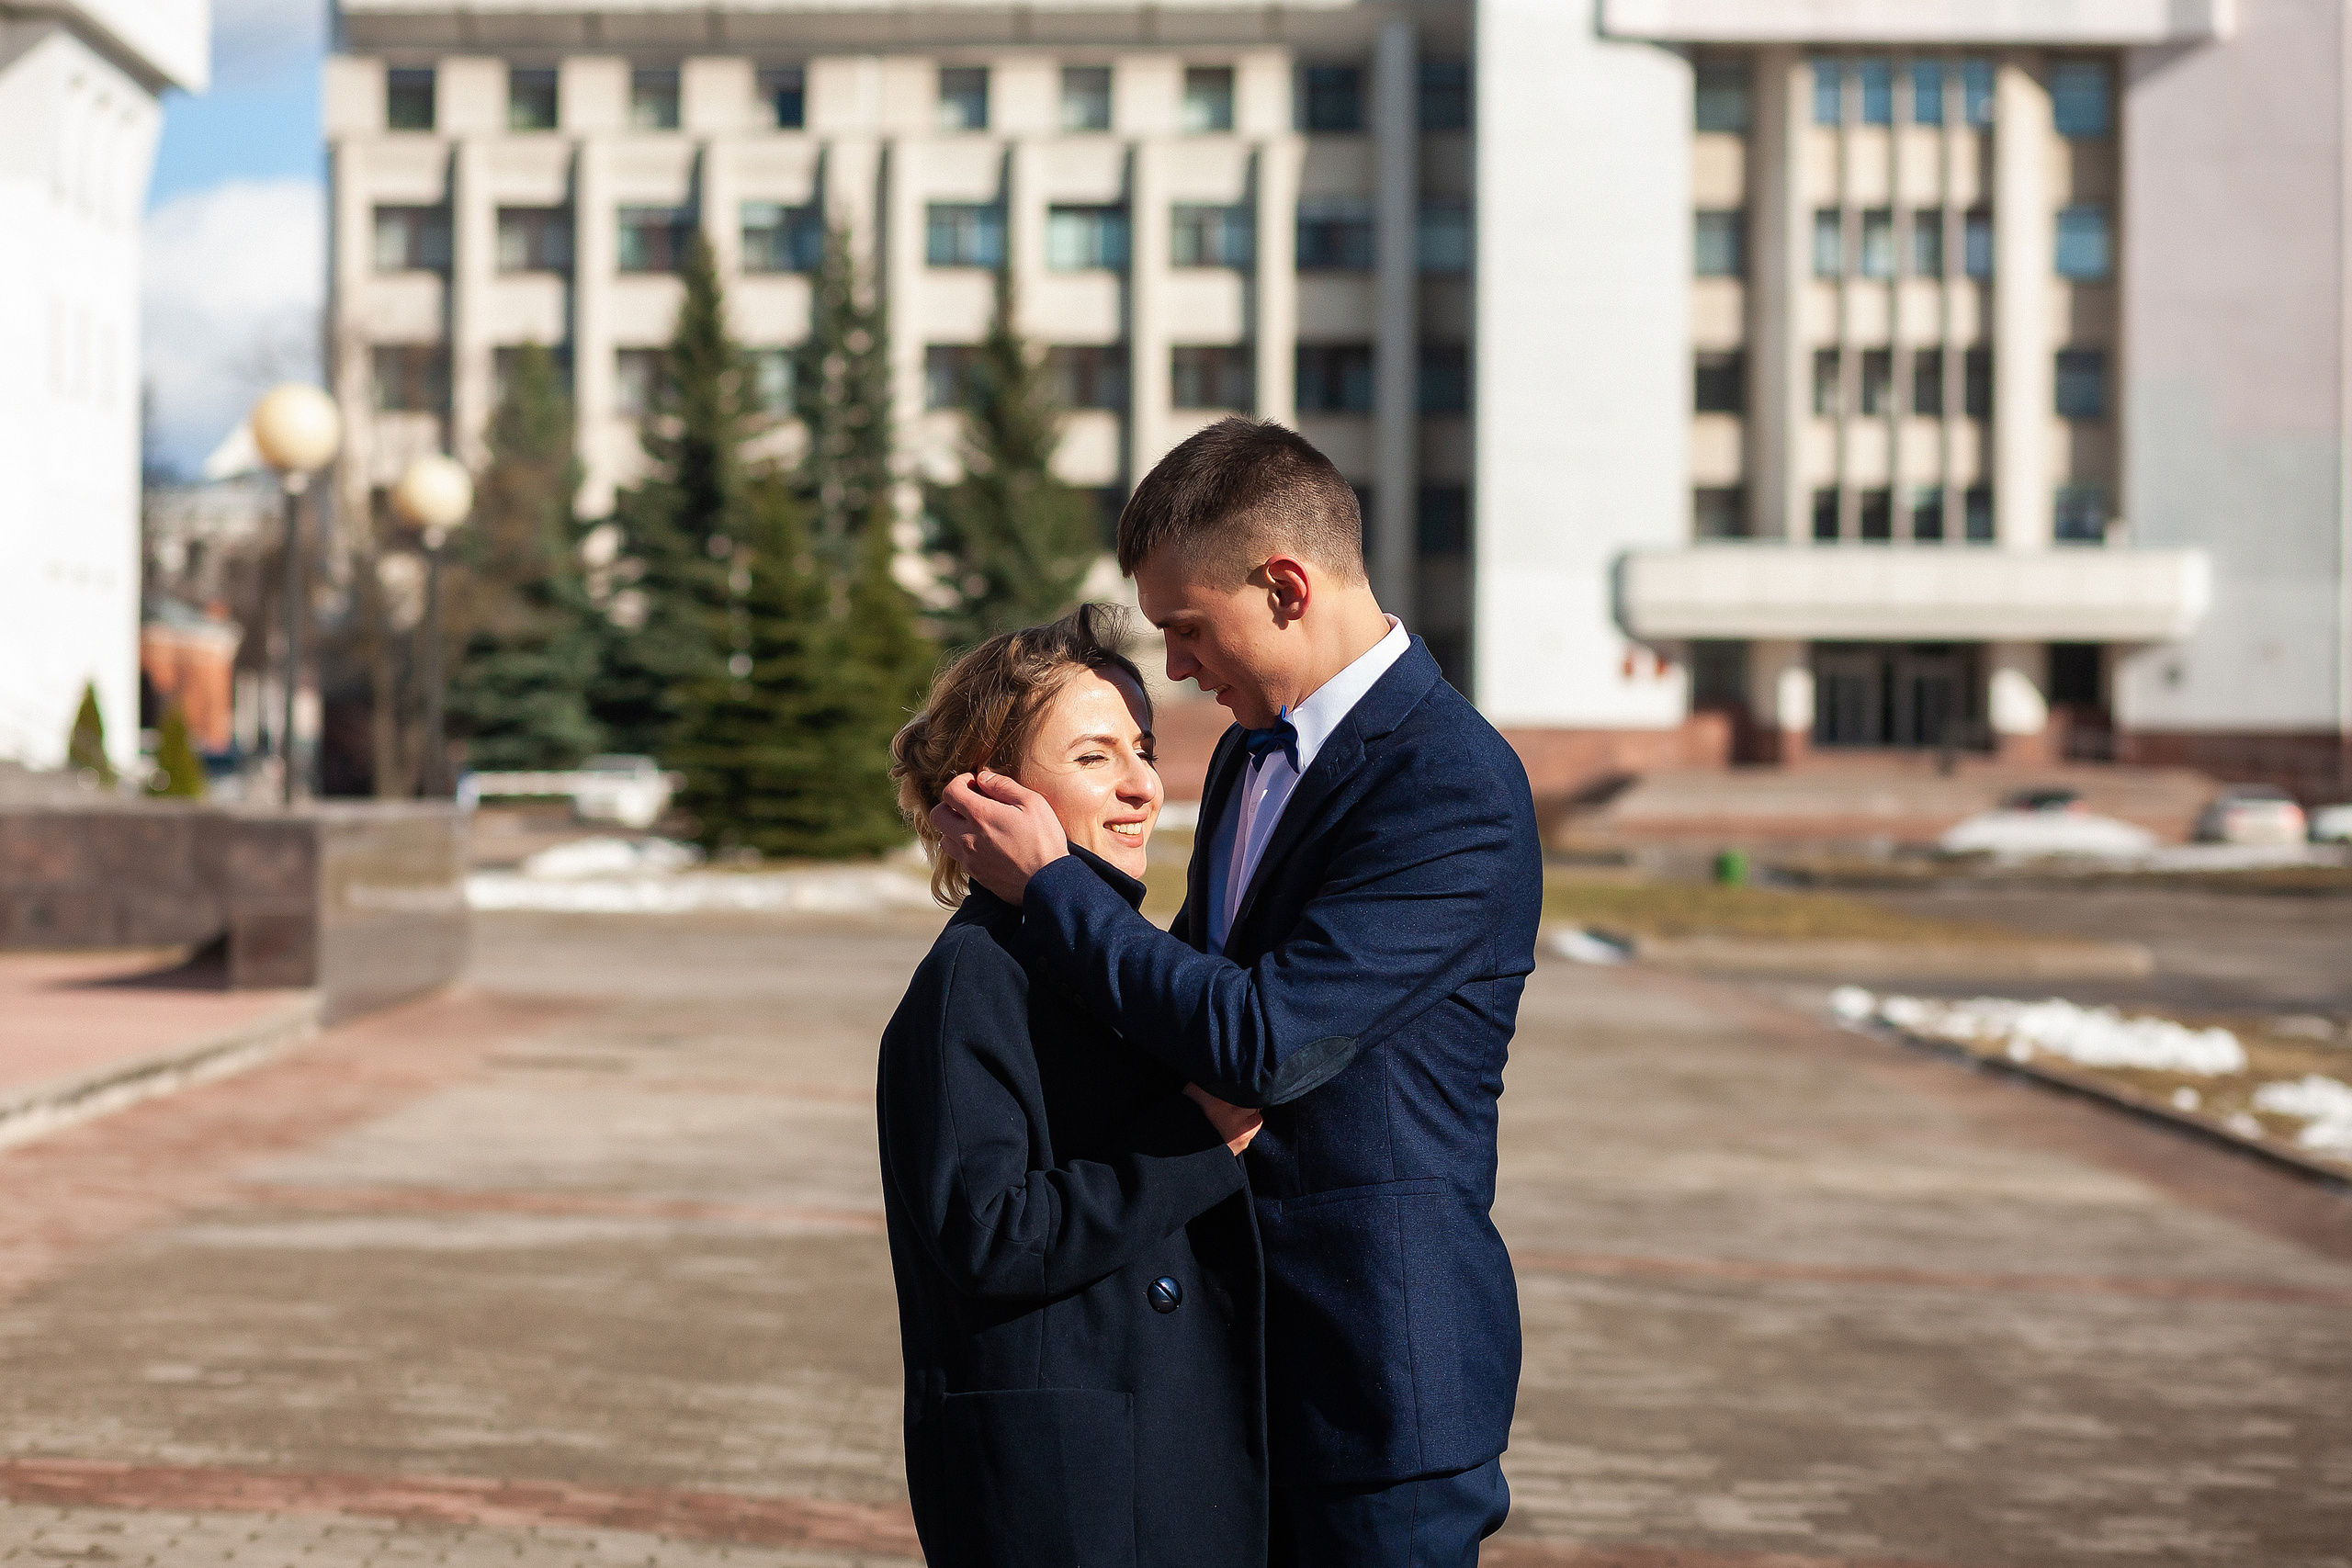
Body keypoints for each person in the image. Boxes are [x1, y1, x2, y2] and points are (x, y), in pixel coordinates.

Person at [930, 419, 1544, 1567]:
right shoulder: (1246, 758)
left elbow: (1262, 1039)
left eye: (1186, 629)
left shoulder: (1451, 783)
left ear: (1284, 586)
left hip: (1377, 1384)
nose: (1174, 668)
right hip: (1226, 1369)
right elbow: (1187, 999)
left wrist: (1053, 888)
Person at [878, 604, 1272, 1568]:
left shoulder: (1116, 961)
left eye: (1141, 749)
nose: (1143, 786)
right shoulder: (977, 978)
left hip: (1146, 1452)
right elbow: (989, 1232)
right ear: (989, 794)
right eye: (1095, 758)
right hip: (1069, 1486)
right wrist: (1193, 1142)